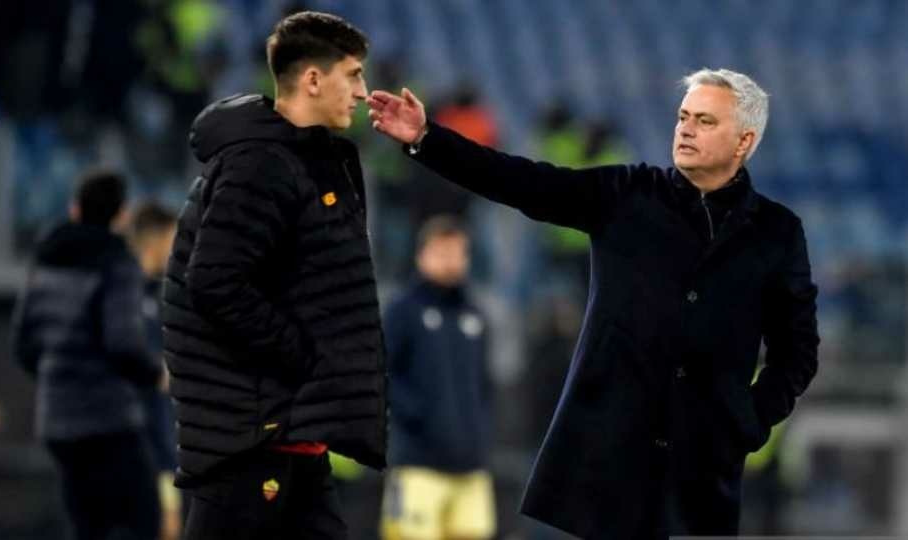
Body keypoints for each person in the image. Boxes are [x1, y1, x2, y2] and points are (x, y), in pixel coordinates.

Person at [368, 68, 819, 539]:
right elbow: (522, 182)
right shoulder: (629, 194)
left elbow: (798, 351)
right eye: (683, 117)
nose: (686, 129)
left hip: (701, 478)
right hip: (607, 465)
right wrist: (428, 139)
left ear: (745, 141)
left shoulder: (777, 233)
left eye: (705, 121)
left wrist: (746, 422)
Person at [161, 11, 386, 540]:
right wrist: (303, 353)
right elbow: (214, 281)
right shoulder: (259, 165)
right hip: (252, 437)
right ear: (313, 79)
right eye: (353, 75)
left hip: (293, 433)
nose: (362, 91)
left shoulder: (304, 161)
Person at [11, 169, 163, 540]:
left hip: (57, 419)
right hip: (107, 418)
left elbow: (24, 344)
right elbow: (123, 343)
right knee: (145, 517)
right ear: (121, 215)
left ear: (74, 208)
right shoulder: (117, 262)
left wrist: (58, 376)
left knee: (85, 525)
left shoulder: (46, 259)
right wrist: (155, 374)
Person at [380, 215, 495, 540]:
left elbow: (484, 385)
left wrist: (479, 433)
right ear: (422, 256)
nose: (450, 262)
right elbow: (382, 373)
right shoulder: (402, 311)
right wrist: (418, 417)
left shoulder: (475, 315)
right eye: (441, 252)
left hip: (471, 468)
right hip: (417, 465)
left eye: (457, 253)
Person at [128, 201, 182, 540]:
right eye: (173, 238)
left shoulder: (151, 299)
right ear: (157, 239)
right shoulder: (127, 301)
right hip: (135, 457)